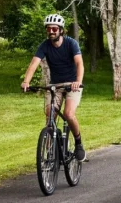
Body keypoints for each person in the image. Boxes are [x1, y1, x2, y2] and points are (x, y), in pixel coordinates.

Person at [21, 14, 86, 162]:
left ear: (61, 30)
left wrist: (78, 81)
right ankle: (51, 151)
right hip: (55, 85)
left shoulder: (71, 44)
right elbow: (33, 64)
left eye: (54, 29)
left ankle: (78, 143)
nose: (51, 31)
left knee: (69, 114)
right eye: (48, 29)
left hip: (72, 85)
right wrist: (26, 81)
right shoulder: (45, 45)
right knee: (49, 114)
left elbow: (79, 64)